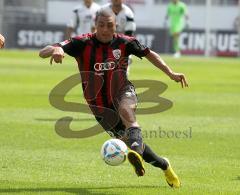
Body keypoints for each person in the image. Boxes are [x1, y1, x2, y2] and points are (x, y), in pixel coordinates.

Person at [39, 9, 188, 188]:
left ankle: (135, 152)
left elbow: (149, 54)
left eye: (109, 25)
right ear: (95, 25)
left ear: (115, 25)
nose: (105, 29)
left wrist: (170, 73)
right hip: (99, 105)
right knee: (129, 140)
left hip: (122, 91)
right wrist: (57, 48)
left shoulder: (125, 42)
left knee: (128, 114)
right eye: (101, 25)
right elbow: (43, 52)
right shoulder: (82, 43)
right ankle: (164, 164)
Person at [101, 0, 136, 74]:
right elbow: (96, 29)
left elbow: (129, 35)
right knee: (102, 73)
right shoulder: (103, 10)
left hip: (122, 46)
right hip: (105, 45)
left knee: (122, 74)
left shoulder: (128, 13)